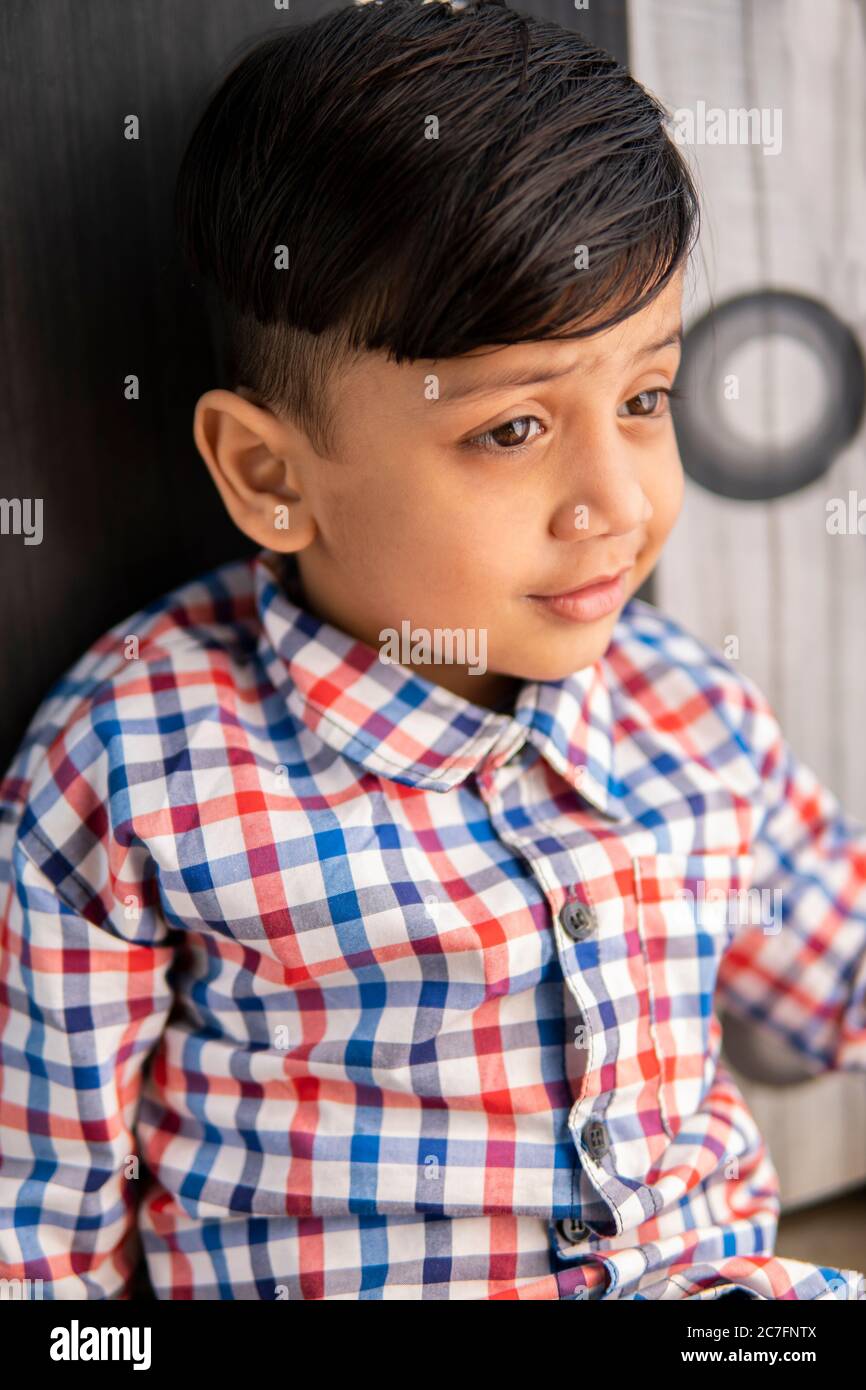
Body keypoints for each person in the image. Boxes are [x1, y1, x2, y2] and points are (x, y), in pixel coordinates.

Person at [1, 0, 864, 1300]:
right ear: (268, 471)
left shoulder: (687, 708)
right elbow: (34, 1208)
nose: (617, 504)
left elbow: (836, 965)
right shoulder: (133, 765)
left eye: (642, 399)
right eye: (513, 430)